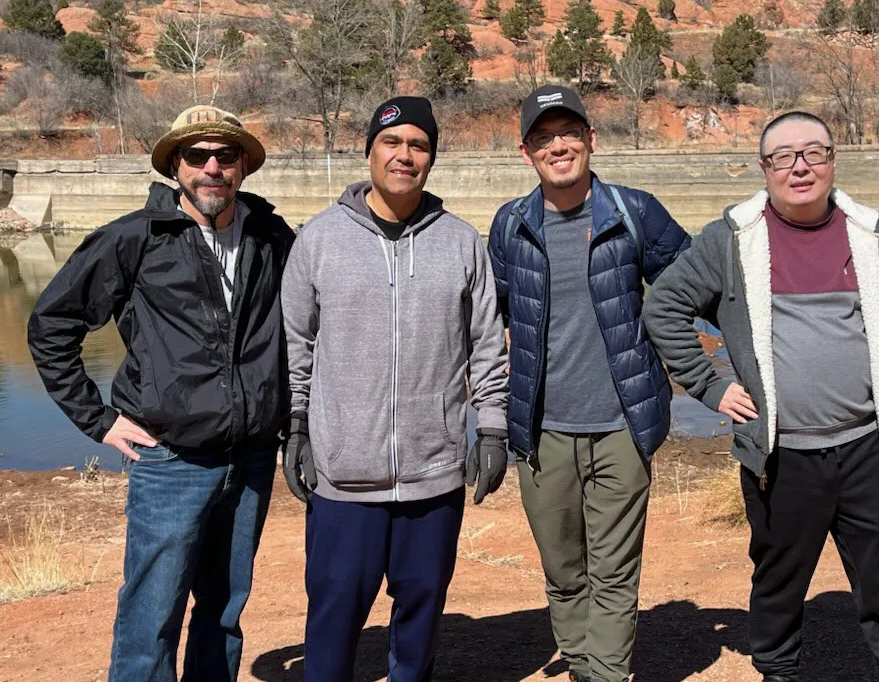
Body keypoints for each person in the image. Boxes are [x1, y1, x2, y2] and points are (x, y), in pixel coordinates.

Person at [643, 111, 879, 682]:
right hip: (781, 458)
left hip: (867, 450)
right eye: (783, 156)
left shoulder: (873, 235)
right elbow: (664, 306)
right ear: (765, 169)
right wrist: (709, 385)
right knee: (778, 588)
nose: (799, 166)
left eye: (814, 152)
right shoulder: (731, 239)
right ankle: (779, 672)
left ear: (833, 161)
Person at [27, 106, 294, 682]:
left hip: (249, 460)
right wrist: (97, 420)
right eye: (197, 156)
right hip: (171, 460)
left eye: (226, 155)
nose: (212, 168)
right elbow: (51, 326)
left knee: (223, 612)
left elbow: (303, 332)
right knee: (152, 615)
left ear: (244, 164)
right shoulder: (134, 238)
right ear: (177, 165)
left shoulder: (272, 236)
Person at [281, 95, 509, 682]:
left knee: (422, 614)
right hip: (344, 475)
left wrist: (491, 427)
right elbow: (295, 342)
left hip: (434, 474)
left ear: (431, 158)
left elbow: (487, 343)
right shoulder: (320, 239)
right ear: (369, 151)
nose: (405, 155)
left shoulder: (461, 243)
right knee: (333, 617)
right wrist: (298, 425)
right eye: (392, 142)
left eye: (419, 145)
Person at [487, 85, 691, 682]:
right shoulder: (511, 226)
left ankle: (604, 673)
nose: (559, 147)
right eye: (544, 138)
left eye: (569, 133)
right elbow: (484, 322)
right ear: (526, 152)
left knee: (614, 570)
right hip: (542, 431)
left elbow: (690, 285)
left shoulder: (634, 212)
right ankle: (583, 663)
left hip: (622, 425)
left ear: (591, 140)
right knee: (564, 569)